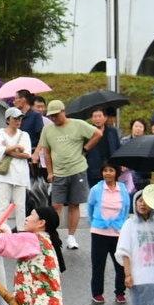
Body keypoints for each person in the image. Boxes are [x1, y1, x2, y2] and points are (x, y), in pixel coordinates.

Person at [41, 100, 101, 251]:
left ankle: (71, 237)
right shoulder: (48, 130)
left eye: (56, 115)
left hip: (77, 170)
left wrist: (86, 148)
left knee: (74, 204)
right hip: (59, 173)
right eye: (51, 116)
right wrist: (49, 172)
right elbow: (46, 152)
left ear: (63, 111)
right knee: (56, 205)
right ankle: (53, 236)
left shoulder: (78, 124)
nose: (54, 118)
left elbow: (97, 133)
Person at [88, 163, 130, 303]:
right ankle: (97, 293)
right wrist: (96, 222)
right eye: (105, 170)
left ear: (116, 173)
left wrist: (121, 226)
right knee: (98, 265)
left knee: (120, 264)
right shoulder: (96, 189)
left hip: (118, 232)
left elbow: (126, 209)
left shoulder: (123, 189)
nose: (107, 173)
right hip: (99, 231)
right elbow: (90, 207)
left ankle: (120, 292)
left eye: (111, 170)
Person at [0, 107, 33, 229]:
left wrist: (8, 149)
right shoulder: (0, 133)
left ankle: (21, 231)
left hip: (20, 175)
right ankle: (2, 231)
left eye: (20, 118)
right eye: (15, 118)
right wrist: (16, 147)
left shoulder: (24, 135)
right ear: (8, 119)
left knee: (20, 206)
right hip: (4, 175)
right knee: (3, 206)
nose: (18, 121)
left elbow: (27, 154)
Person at [84, 108, 122, 195]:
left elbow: (117, 148)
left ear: (105, 118)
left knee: (111, 193)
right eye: (95, 117)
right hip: (94, 169)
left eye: (99, 116)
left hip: (111, 168)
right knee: (96, 194)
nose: (97, 119)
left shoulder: (112, 131)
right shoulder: (87, 132)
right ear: (91, 119)